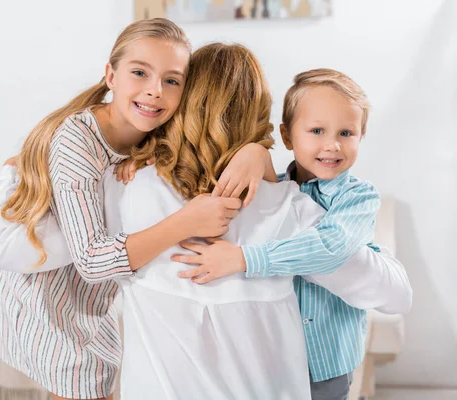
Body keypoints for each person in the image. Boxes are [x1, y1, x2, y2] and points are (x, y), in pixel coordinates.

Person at [0, 44, 411, 399]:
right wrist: (258, 155)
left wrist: (17, 175)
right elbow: (393, 295)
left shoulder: (124, 187)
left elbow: (14, 250)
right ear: (265, 121)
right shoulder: (290, 206)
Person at [0, 19, 275, 400]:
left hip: (91, 294)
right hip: (45, 291)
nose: (155, 91)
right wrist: (185, 222)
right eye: (140, 72)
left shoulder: (157, 128)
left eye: (172, 80)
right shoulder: (77, 139)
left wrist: (256, 152)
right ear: (111, 76)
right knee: (84, 382)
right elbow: (90, 260)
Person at [174, 68, 412, 399]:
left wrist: (244, 259)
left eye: (347, 133)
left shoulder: (357, 197)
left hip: (327, 363)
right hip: (272, 359)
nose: (333, 145)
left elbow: (330, 247)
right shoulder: (273, 189)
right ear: (287, 136)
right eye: (317, 130)